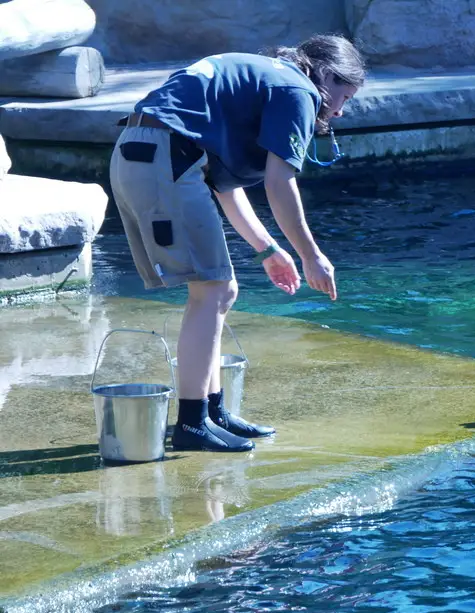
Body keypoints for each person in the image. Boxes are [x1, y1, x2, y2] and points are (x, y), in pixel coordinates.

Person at [109, 35, 365, 453]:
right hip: (164, 157)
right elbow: (281, 183)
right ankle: (192, 424)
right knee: (213, 290)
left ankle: (211, 412)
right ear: (325, 75)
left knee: (217, 290)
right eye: (344, 95)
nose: (339, 109)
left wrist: (267, 250)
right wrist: (311, 256)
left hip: (145, 153)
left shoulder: (265, 78)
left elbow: (224, 186)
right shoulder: (297, 89)